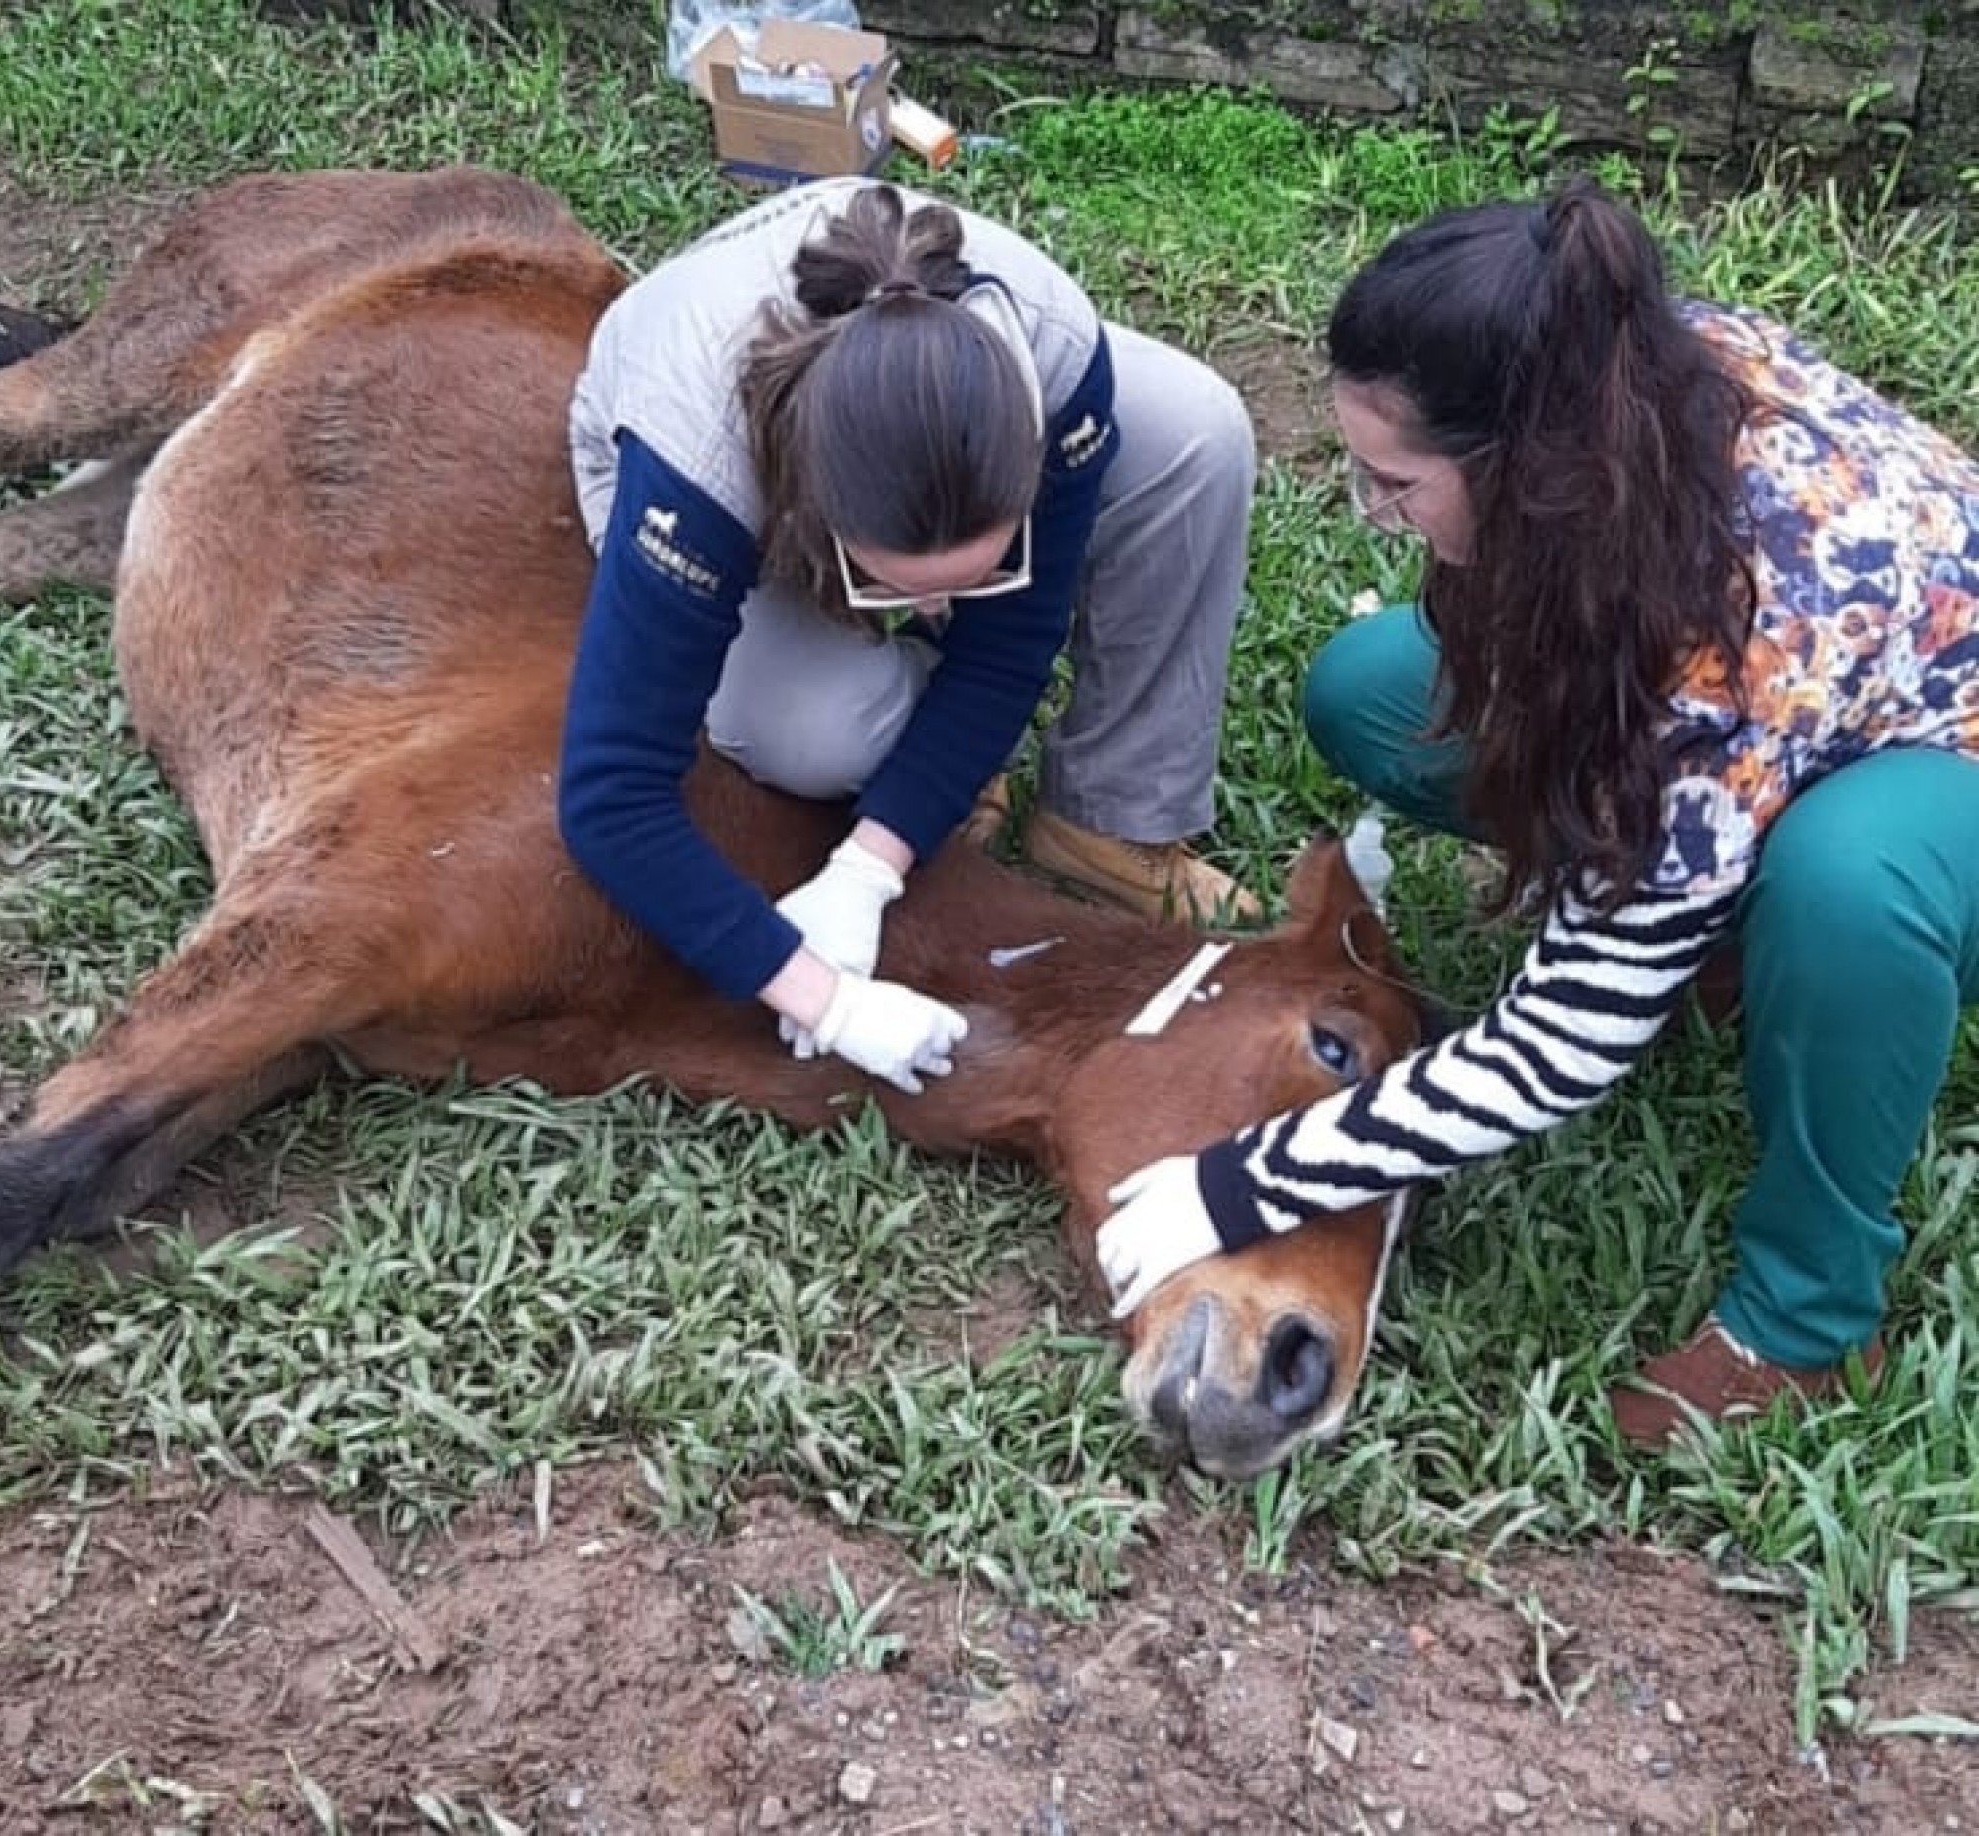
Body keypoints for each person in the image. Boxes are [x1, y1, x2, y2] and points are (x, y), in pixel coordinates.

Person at [1097, 175, 1979, 1447]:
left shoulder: (1719, 633)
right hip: (1782, 715)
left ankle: (1807, 1319)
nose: (1374, 511)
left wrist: (1239, 1183)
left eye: (1395, 482)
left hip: (1938, 761)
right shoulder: (1614, 381)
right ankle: (1716, 921)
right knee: (1373, 691)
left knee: (1846, 885)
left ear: (1535, 472)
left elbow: (1558, 1048)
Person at [560, 179, 1259, 1098]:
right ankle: (918, 728)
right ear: (813, 518)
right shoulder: (696, 473)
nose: (938, 614)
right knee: (819, 731)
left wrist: (866, 868)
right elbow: (612, 795)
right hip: (680, 415)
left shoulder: (1050, 350)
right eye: (894, 586)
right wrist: (822, 996)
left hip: (930, 388)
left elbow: (1013, 641)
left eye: (979, 571)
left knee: (1197, 434)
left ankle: (1110, 818)